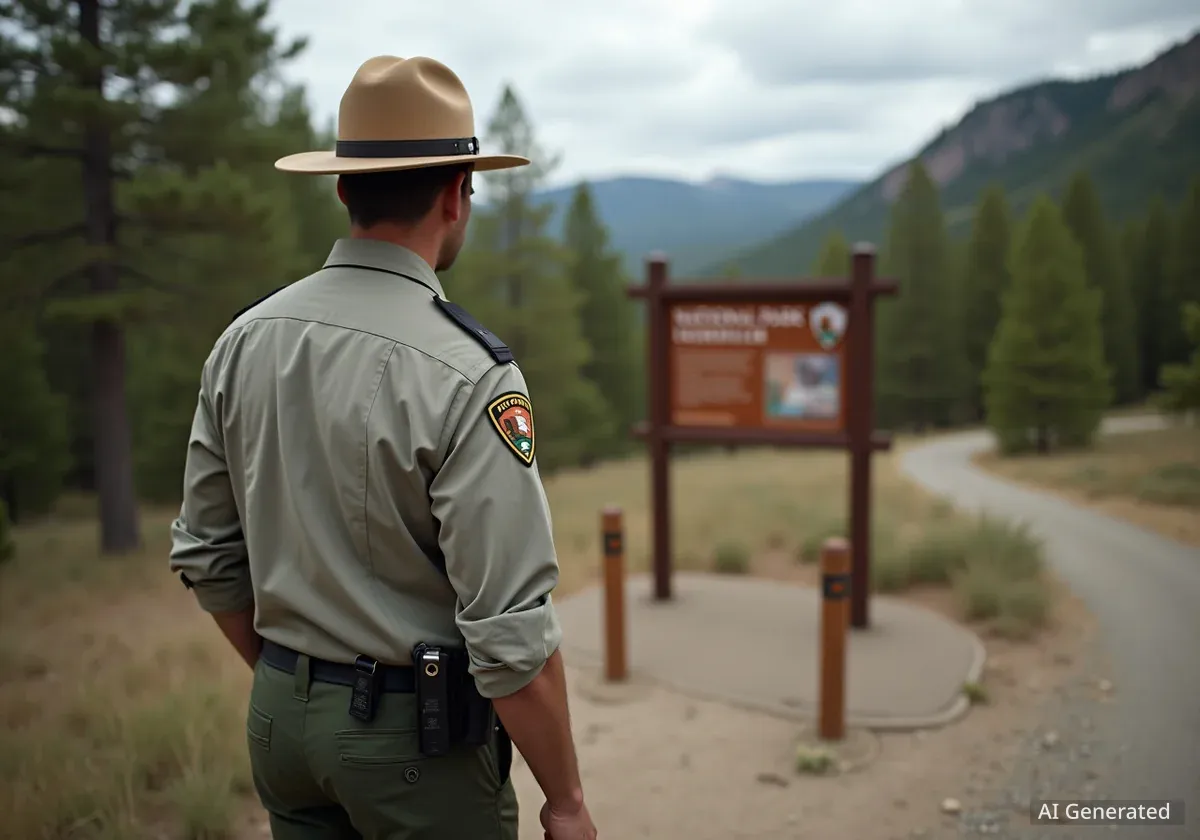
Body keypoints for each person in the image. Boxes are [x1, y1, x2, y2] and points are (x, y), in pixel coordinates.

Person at [168, 55, 597, 840]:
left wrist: (300, 682)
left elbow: (206, 553)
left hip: (278, 720)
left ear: (343, 188)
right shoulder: (471, 373)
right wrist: (565, 800)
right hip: (416, 747)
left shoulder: (244, 340)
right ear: (456, 194)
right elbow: (509, 634)